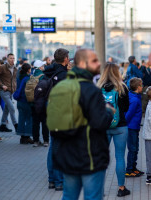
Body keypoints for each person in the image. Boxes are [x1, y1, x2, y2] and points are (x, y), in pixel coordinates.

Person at [52, 49, 114, 200]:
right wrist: (108, 111)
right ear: (81, 63)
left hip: (68, 156)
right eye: (94, 61)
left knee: (68, 196)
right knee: (92, 197)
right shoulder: (91, 90)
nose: (99, 63)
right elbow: (100, 123)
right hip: (90, 157)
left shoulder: (62, 88)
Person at [97, 63, 131, 197]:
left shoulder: (98, 88)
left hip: (103, 127)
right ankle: (121, 189)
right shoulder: (122, 88)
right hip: (120, 126)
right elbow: (126, 108)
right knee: (120, 157)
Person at [44, 48, 69, 191]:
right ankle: (59, 182)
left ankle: (52, 180)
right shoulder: (64, 75)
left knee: (54, 146)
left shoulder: (49, 71)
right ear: (65, 59)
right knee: (60, 148)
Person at [125, 77, 144, 177]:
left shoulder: (134, 96)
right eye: (141, 85)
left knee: (135, 148)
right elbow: (128, 115)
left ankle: (133, 167)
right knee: (132, 149)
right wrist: (125, 124)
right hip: (131, 128)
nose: (143, 87)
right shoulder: (134, 100)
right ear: (138, 87)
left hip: (134, 127)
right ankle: (129, 170)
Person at [0, 53, 18, 132]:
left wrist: (15, 87)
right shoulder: (2, 67)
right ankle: (16, 125)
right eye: (10, 58)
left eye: (13, 58)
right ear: (7, 59)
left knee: (6, 109)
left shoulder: (15, 68)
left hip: (11, 91)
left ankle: (3, 125)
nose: (12, 60)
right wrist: (2, 85)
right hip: (4, 91)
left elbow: (14, 79)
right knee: (12, 108)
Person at [31, 60, 48, 147]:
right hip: (42, 104)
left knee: (35, 123)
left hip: (33, 103)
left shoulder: (32, 75)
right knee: (44, 123)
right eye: (43, 65)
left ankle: (36, 141)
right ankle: (46, 141)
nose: (44, 66)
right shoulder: (43, 77)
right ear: (40, 67)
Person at [16, 63, 33, 144]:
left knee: (21, 119)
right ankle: (27, 137)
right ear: (28, 70)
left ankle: (22, 138)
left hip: (19, 101)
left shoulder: (18, 77)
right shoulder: (28, 78)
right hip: (26, 101)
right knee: (29, 119)